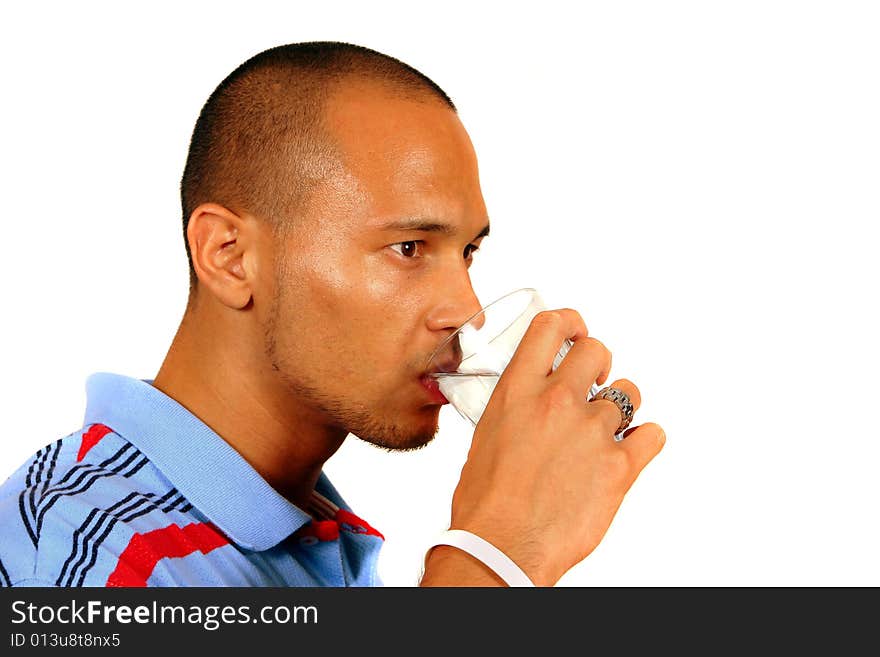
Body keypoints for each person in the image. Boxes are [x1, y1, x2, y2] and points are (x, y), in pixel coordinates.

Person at [0, 41, 664, 588]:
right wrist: (492, 554)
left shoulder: (317, 540)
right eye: (409, 248)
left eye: (467, 251)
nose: (465, 307)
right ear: (229, 256)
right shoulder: (78, 554)